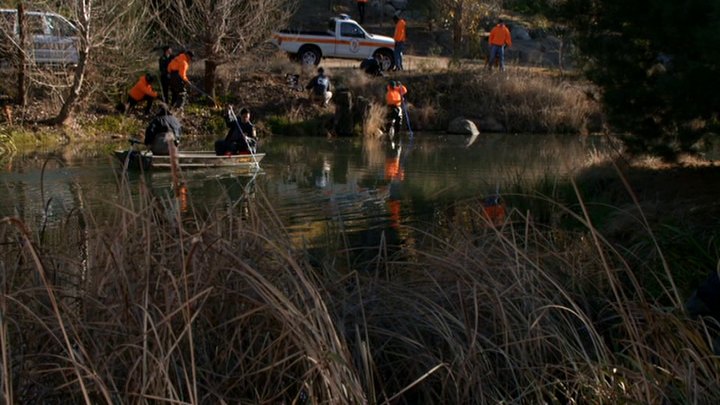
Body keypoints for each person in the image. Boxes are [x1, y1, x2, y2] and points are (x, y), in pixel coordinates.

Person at [385, 80, 408, 147]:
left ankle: (397, 135)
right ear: (390, 86)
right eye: (392, 86)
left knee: (399, 121)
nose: (393, 87)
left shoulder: (397, 89)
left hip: (398, 107)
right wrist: (400, 100)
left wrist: (400, 85)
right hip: (391, 107)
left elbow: (404, 90)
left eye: (394, 86)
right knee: (391, 121)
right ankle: (389, 135)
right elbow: (392, 101)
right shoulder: (389, 93)